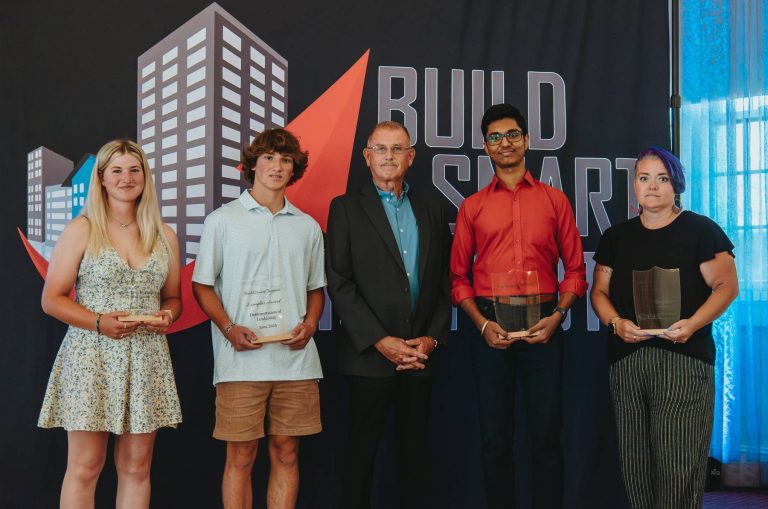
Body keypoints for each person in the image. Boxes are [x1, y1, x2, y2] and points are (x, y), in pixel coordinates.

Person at [450, 104, 588, 508]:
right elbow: (458, 278)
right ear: (485, 147)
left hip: (545, 322)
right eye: (495, 137)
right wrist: (480, 324)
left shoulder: (555, 201)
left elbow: (576, 270)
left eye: (512, 135)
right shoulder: (472, 207)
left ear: (526, 141)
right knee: (495, 439)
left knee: (546, 436)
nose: (504, 143)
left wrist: (558, 317)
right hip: (490, 325)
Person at [590, 146, 738, 508]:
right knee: (635, 464)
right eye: (644, 178)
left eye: (662, 178)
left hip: (684, 360)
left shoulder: (701, 230)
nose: (652, 186)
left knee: (678, 466)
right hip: (627, 360)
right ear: (634, 186)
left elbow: (727, 287)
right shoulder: (616, 238)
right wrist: (616, 323)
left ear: (677, 185)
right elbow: (599, 292)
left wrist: (692, 324)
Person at [38, 139, 182, 509]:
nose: (126, 178)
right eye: (116, 170)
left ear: (145, 177)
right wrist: (100, 322)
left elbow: (173, 298)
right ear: (101, 178)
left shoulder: (164, 235)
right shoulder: (81, 229)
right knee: (86, 466)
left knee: (137, 467)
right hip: (91, 356)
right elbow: (51, 299)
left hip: (147, 357)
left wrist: (167, 314)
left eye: (135, 169)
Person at [192, 128, 325, 509]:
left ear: (294, 169)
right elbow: (203, 286)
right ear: (251, 165)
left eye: (285, 160)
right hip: (240, 363)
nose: (276, 166)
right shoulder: (223, 220)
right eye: (268, 158)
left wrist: (311, 323)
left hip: (295, 361)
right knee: (242, 455)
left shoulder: (307, 226)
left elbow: (317, 288)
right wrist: (229, 329)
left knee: (286, 453)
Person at [325, 120, 452, 509]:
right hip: (370, 357)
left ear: (411, 157)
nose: (389, 156)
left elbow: (444, 281)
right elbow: (339, 281)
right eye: (380, 149)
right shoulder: (345, 208)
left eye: (398, 149)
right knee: (360, 458)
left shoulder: (432, 209)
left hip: (420, 356)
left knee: (415, 459)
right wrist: (381, 341)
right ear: (367, 157)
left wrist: (430, 338)